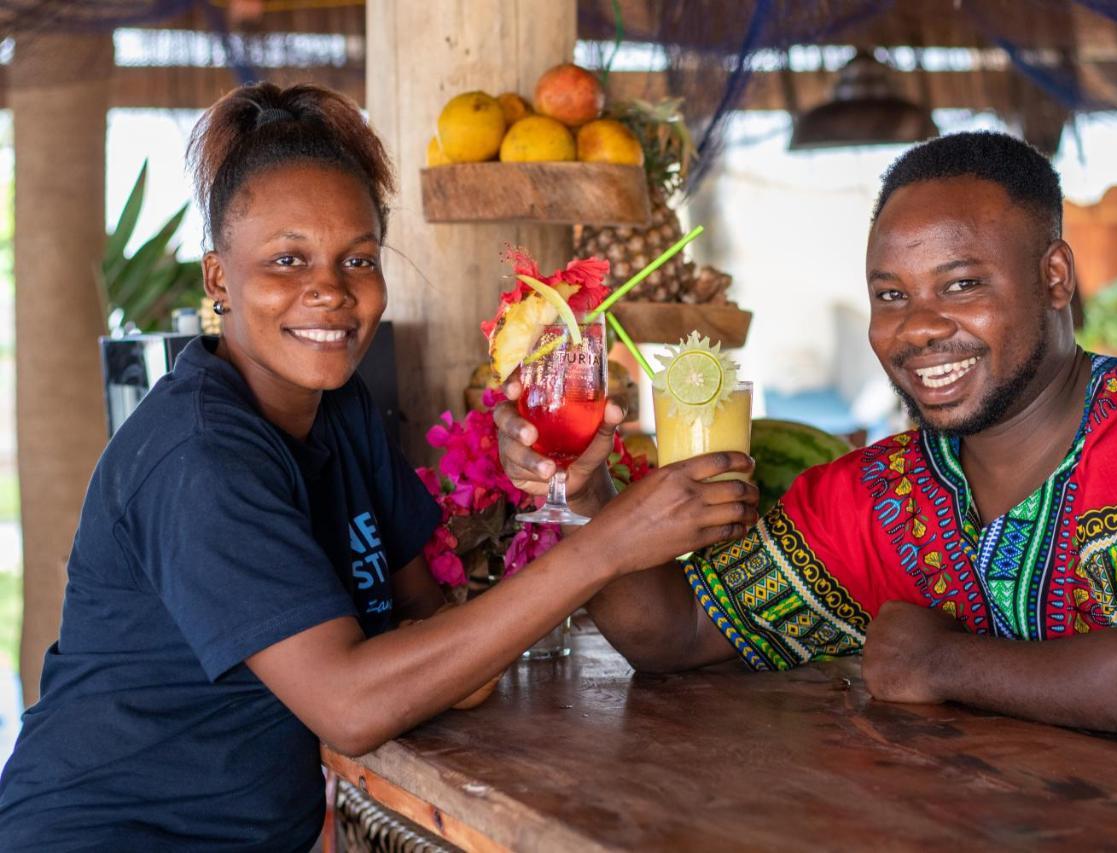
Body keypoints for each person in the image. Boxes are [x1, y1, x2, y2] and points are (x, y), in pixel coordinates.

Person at [0, 82, 758, 851]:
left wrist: (575, 492)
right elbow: (351, 705)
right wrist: (605, 546)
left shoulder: (340, 410)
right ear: (219, 280)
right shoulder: (199, 455)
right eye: (287, 259)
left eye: (357, 258)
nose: (328, 289)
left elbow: (426, 623)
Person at [497, 131, 1117, 760]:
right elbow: (677, 632)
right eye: (891, 295)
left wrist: (937, 662)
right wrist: (582, 491)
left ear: (1054, 277)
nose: (918, 326)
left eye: (962, 284)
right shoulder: (881, 494)